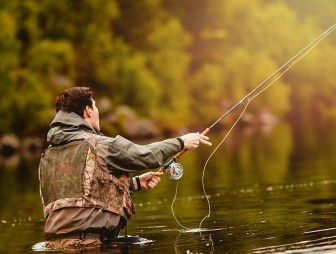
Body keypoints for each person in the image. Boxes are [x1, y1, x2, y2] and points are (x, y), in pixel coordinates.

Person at [38, 87, 212, 251]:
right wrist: (181, 142)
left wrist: (133, 184)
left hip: (55, 246)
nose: (97, 111)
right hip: (91, 245)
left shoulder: (47, 155)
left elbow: (85, 191)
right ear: (88, 110)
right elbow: (144, 155)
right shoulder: (98, 145)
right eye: (96, 106)